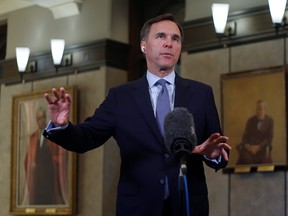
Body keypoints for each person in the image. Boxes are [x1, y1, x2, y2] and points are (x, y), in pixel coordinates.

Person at [43, 14, 231, 216]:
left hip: (187, 206)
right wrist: (61, 125)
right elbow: (85, 138)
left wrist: (215, 156)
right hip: (138, 208)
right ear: (143, 46)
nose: (169, 43)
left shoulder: (201, 93)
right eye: (161, 36)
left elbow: (216, 147)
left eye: (175, 39)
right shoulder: (120, 97)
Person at [24, 107, 68, 205]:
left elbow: (61, 154)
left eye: (43, 117)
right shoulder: (33, 137)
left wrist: (54, 160)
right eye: (39, 118)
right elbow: (28, 158)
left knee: (49, 201)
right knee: (37, 200)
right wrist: (31, 163)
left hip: (49, 174)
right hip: (37, 176)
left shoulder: (52, 134)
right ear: (36, 120)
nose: (41, 120)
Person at [237, 99, 274, 165]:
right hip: (249, 149)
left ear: (265, 110)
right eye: (257, 109)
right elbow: (245, 136)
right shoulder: (250, 120)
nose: (258, 111)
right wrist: (248, 147)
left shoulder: (270, 121)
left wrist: (258, 147)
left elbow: (269, 138)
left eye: (261, 109)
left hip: (262, 149)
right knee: (244, 159)